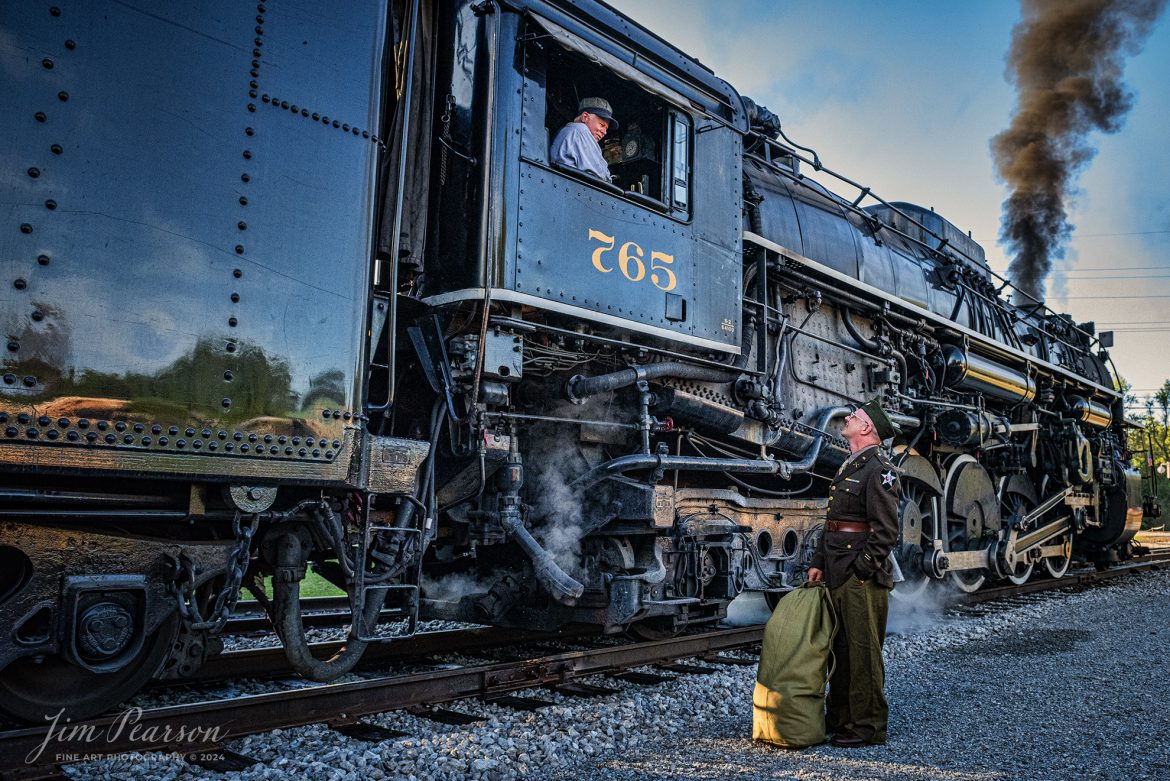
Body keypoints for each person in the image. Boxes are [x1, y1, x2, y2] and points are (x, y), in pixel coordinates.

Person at [807, 399, 901, 748]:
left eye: (855, 416)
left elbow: (886, 532)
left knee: (863, 653)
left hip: (859, 576)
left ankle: (868, 726)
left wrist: (861, 570)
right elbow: (834, 522)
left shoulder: (880, 468)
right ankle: (841, 717)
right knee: (841, 649)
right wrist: (818, 561)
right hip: (836, 567)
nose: (848, 418)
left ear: (866, 428)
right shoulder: (852, 463)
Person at [549, 97, 617, 180]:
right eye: (602, 125)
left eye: (606, 129)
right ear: (585, 117)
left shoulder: (567, 131)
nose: (604, 132)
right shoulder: (580, 130)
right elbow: (600, 176)